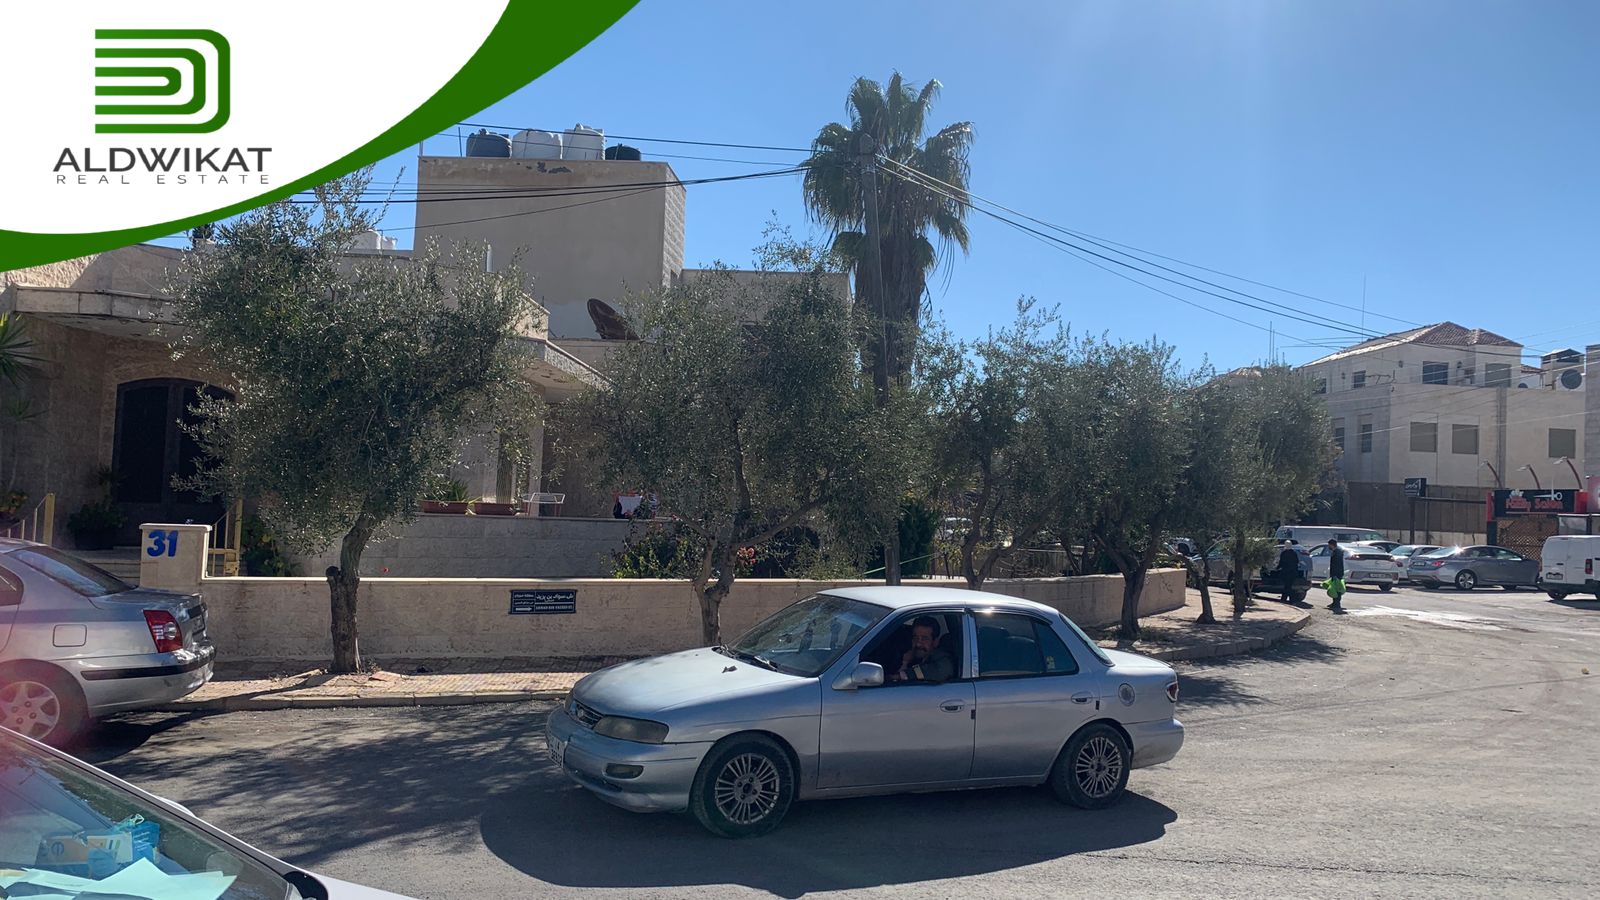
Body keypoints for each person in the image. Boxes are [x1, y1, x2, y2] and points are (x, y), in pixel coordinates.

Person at [895, 616, 955, 683]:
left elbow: (942, 671)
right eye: (915, 637)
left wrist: (903, 675)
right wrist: (905, 661)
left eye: (924, 638)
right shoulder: (912, 656)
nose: (918, 644)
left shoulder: (941, 657)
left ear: (935, 642)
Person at [1325, 538, 1347, 611]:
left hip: (1337, 573)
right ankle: (1334, 602)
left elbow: (1337, 564)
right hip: (1337, 573)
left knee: (1337, 589)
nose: (1329, 547)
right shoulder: (1336, 551)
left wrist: (1335, 574)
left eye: (1329, 545)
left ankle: (1337, 603)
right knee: (1334, 588)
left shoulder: (1337, 552)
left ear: (1331, 545)